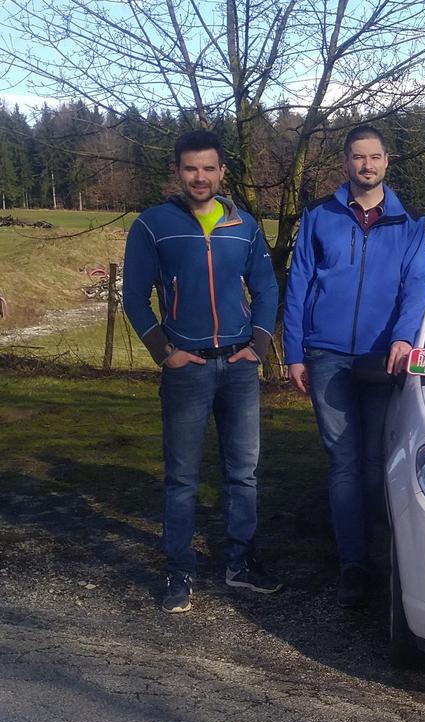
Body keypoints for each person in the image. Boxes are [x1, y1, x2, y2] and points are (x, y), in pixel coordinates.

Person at [122, 130, 282, 613]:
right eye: (191, 168)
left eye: (208, 168)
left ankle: (240, 564)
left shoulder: (245, 226)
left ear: (222, 172)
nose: (200, 177)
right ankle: (179, 571)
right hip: (186, 369)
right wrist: (163, 353)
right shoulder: (154, 225)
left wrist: (259, 344)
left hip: (238, 367)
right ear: (177, 171)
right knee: (182, 478)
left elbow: (267, 288)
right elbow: (134, 297)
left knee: (243, 474)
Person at [283, 124, 425, 608]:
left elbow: (416, 287)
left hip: (381, 357)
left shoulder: (410, 224)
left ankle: (381, 553)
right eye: (357, 157)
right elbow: (300, 283)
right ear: (345, 163)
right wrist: (293, 352)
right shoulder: (319, 217)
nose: (366, 165)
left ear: (387, 161)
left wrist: (405, 338)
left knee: (375, 463)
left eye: (374, 157)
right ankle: (352, 565)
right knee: (344, 462)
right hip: (326, 355)